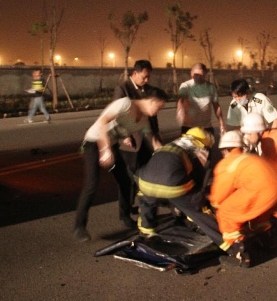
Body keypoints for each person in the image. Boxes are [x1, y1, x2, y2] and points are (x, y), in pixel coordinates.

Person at [73, 88, 168, 242]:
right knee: (92, 184)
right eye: (160, 107)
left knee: (125, 181)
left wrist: (167, 154)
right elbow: (103, 121)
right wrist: (105, 149)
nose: (159, 111)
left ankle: (124, 216)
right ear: (152, 101)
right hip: (93, 143)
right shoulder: (125, 104)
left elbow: (153, 140)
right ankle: (79, 227)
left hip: (111, 145)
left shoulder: (143, 119)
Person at [135, 127, 224, 246]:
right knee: (192, 200)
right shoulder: (200, 149)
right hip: (172, 185)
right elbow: (198, 180)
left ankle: (146, 231)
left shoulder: (173, 144)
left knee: (147, 201)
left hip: (145, 183)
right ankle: (199, 225)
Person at [209, 130, 277, 267]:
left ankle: (239, 255)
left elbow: (220, 194)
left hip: (262, 191)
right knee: (260, 215)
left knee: (226, 213)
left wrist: (213, 203)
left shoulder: (227, 163)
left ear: (225, 150)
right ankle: (267, 242)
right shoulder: (250, 158)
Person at [112, 60, 163, 210]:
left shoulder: (148, 89)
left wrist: (157, 134)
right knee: (128, 179)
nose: (146, 80)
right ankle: (125, 212)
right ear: (135, 73)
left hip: (146, 139)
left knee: (146, 176)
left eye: (148, 77)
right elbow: (116, 114)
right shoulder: (122, 89)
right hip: (129, 142)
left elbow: (152, 115)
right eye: (144, 77)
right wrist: (124, 136)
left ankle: (143, 205)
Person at [176, 63, 226, 136]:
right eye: (196, 75)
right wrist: (180, 109)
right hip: (189, 127)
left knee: (207, 147)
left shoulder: (211, 87)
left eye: (201, 75)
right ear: (191, 73)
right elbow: (180, 99)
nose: (198, 77)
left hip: (206, 127)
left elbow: (216, 105)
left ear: (205, 73)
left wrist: (221, 123)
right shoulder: (186, 86)